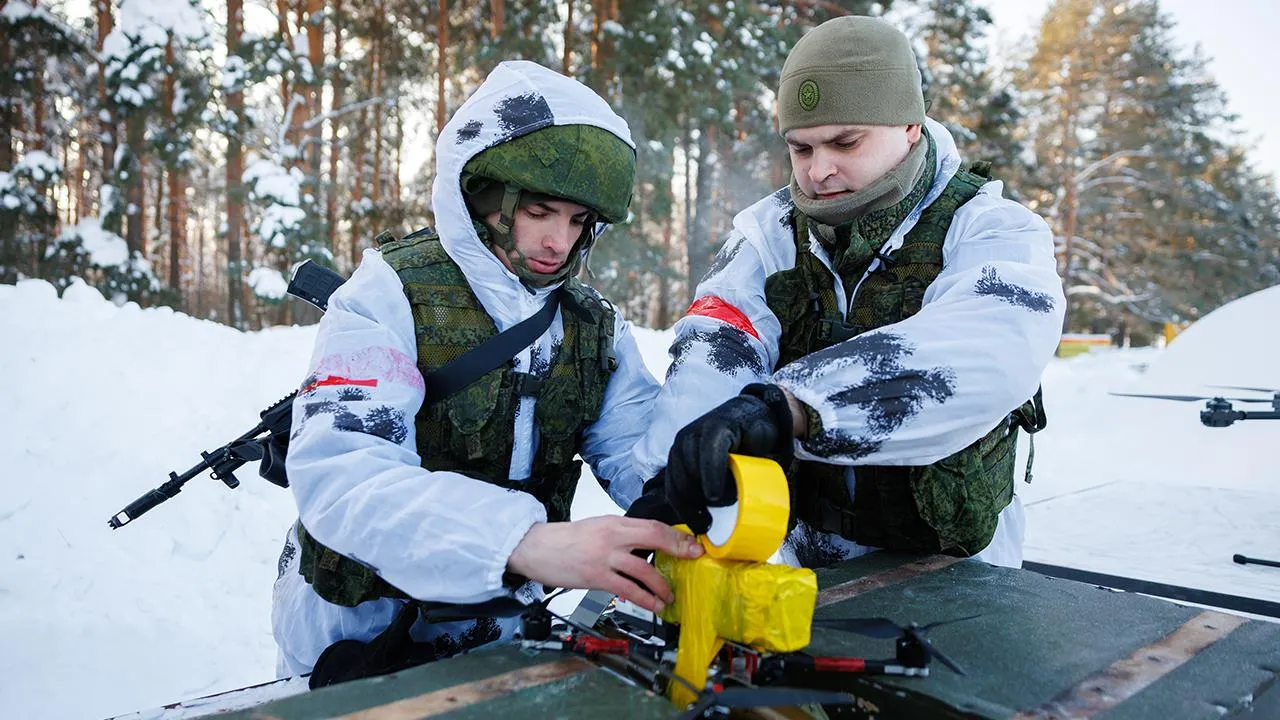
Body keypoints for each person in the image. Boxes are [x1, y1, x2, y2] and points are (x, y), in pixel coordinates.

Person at [271, 60, 702, 683]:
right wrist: (525, 543)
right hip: (359, 631)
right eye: (540, 211)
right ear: (484, 194)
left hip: (502, 636)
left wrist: (701, 482)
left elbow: (640, 455)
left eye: (578, 220)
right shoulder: (390, 292)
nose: (559, 241)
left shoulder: (590, 326)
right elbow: (344, 474)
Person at [631, 17, 1065, 571]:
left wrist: (793, 408)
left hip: (960, 568)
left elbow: (986, 351)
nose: (819, 171)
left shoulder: (992, 228)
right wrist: (678, 473)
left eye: (845, 142)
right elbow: (718, 349)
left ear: (909, 126)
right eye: (800, 148)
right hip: (811, 565)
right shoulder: (768, 235)